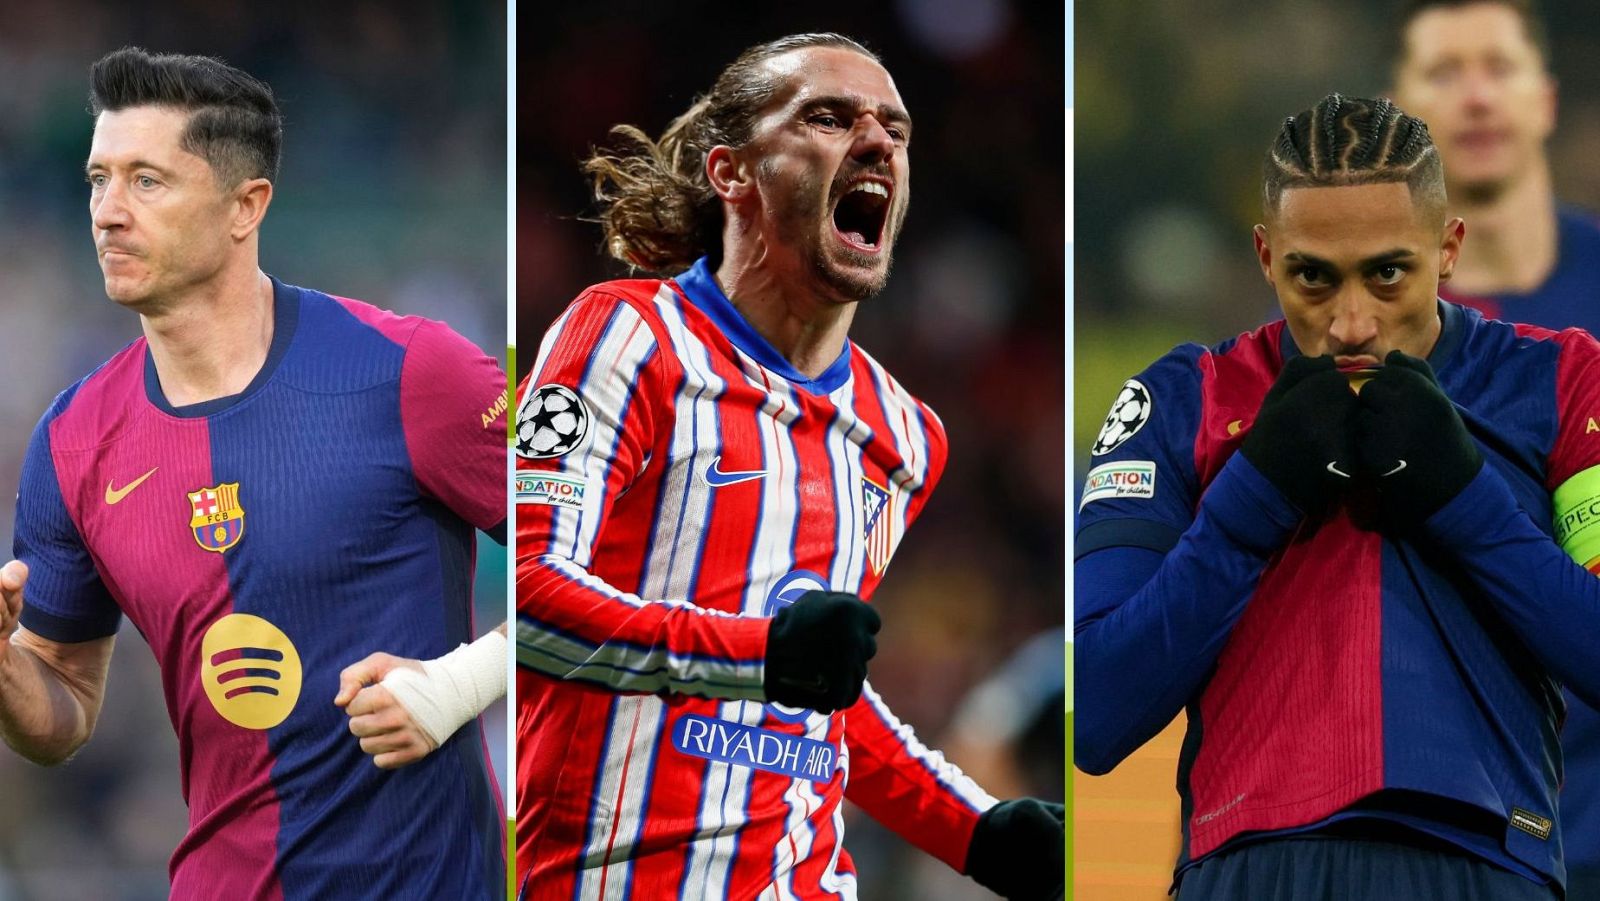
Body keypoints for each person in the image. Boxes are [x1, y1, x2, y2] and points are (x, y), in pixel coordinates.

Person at [513, 32, 1063, 901]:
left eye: (895, 128)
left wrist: (975, 828)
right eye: (828, 117)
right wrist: (758, 654)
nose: (877, 141)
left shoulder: (905, 435)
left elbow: (815, 690)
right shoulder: (627, 336)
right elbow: (529, 595)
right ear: (733, 173)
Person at [0, 48, 509, 899]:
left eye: (146, 181)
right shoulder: (72, 439)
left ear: (247, 205)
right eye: (97, 179)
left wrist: (462, 684)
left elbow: (598, 538)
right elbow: (61, 707)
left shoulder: (412, 369)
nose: (107, 212)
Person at [1076, 92, 1600, 900]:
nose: (1352, 323)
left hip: (1490, 863)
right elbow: (1101, 710)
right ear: (1264, 255)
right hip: (1249, 869)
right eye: (1312, 278)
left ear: (1450, 247)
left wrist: (1466, 501)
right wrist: (1254, 497)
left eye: (1388, 273)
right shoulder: (1183, 400)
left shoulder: (1565, 382)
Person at [1390, 4, 1600, 896]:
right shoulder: (1358, 328)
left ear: (1544, 98)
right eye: (1444, 71)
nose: (1476, 96)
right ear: (1400, 108)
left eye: (1498, 67)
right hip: (1449, 839)